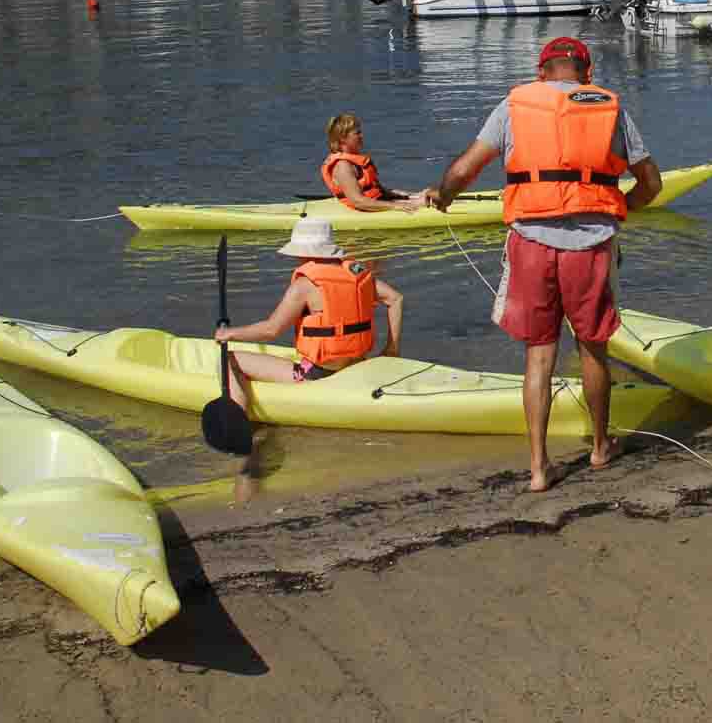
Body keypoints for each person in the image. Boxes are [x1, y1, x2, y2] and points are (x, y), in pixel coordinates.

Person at [433, 36, 663, 492]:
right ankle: (600, 446)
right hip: (591, 245)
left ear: (541, 73)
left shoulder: (514, 105)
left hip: (531, 243)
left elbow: (463, 171)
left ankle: (539, 468)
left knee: (539, 354)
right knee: (593, 347)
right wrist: (616, 207)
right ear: (587, 73)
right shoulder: (609, 107)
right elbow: (651, 184)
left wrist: (442, 197)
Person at [213, 217, 405, 411]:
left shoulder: (304, 286)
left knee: (228, 360)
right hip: (356, 365)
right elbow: (396, 299)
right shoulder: (357, 275)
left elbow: (272, 330)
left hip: (319, 374)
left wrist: (229, 333)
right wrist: (392, 349)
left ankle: (239, 413)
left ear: (303, 251)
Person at [321, 113, 435, 213]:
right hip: (365, 209)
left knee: (424, 195)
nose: (362, 136)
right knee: (427, 202)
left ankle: (426, 198)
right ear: (342, 138)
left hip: (377, 201)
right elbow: (358, 201)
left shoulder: (355, 162)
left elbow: (380, 191)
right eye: (357, 133)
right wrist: (396, 206)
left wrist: (411, 196)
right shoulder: (343, 167)